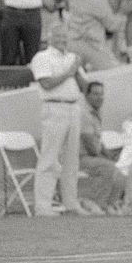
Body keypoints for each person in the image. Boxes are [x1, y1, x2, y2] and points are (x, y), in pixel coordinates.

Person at [29, 24, 89, 217]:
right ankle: (43, 206)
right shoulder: (42, 58)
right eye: (59, 37)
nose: (63, 41)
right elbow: (46, 84)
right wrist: (69, 71)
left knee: (72, 159)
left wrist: (77, 69)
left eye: (65, 37)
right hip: (54, 107)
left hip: (73, 106)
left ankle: (71, 203)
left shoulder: (72, 58)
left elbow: (84, 86)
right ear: (50, 38)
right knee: (50, 157)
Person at [66, 0, 126, 71]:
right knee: (114, 71)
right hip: (91, 45)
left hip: (72, 42)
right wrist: (123, 11)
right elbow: (112, 26)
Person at [78, 81, 127, 215]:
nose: (100, 97)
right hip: (79, 159)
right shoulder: (84, 115)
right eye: (95, 94)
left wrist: (110, 156)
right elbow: (92, 148)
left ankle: (110, 204)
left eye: (101, 94)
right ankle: (97, 204)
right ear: (86, 96)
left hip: (90, 157)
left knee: (121, 166)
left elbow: (98, 141)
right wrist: (108, 159)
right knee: (109, 167)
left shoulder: (96, 113)